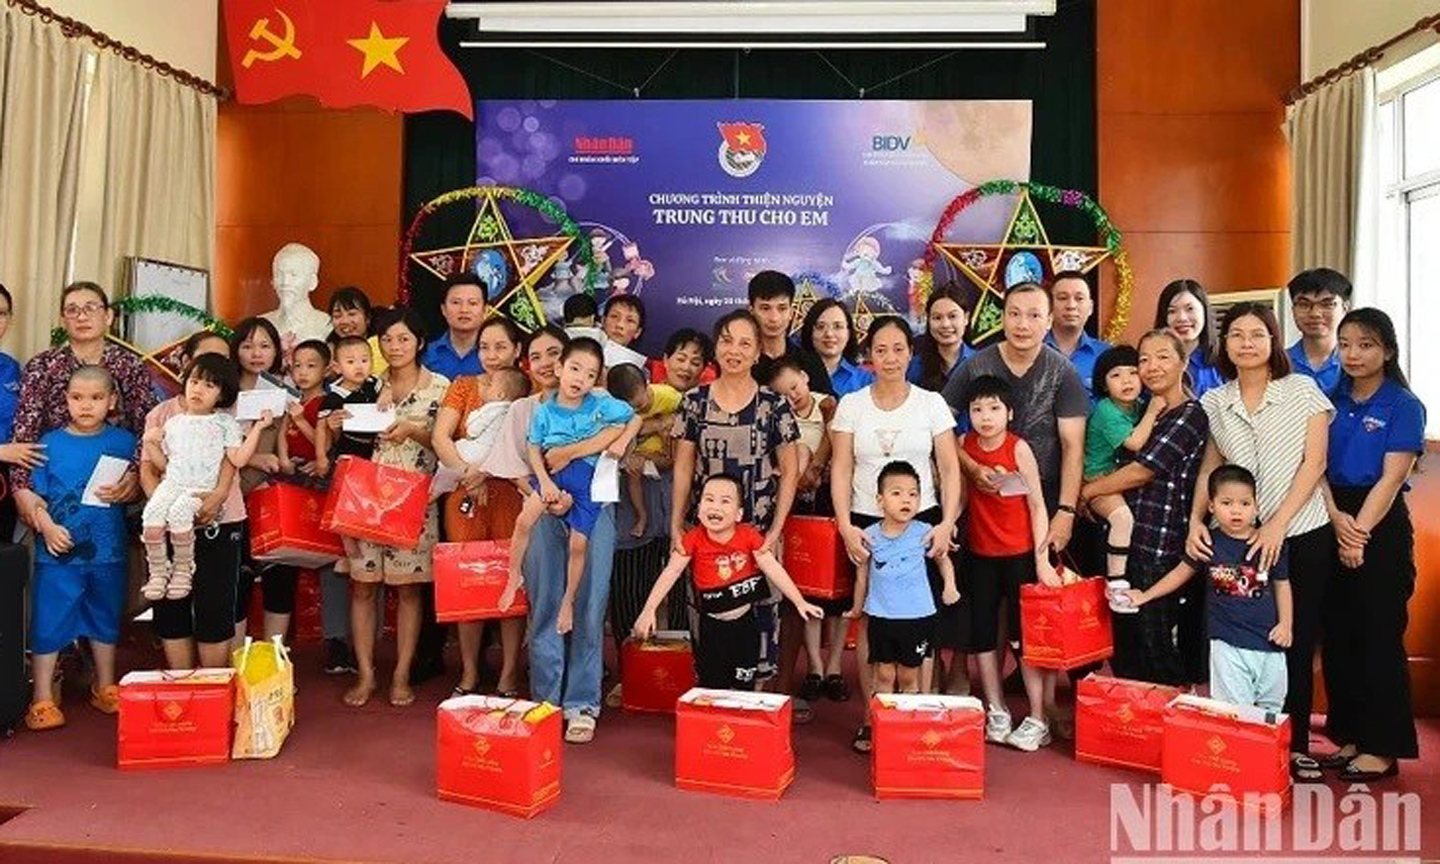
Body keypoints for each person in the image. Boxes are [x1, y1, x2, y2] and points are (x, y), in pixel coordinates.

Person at [1188, 302, 1332, 783]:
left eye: (1258, 334)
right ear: (1224, 345)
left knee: (1292, 638)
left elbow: (1315, 464)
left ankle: (1293, 747)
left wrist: (1277, 525)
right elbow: (1210, 467)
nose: (1247, 343)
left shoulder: (1303, 391)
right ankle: (1244, 744)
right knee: (1243, 637)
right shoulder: (1216, 401)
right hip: (1238, 539)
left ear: (1274, 340)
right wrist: (1195, 520)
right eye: (1236, 335)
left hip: (1301, 532)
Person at [831, 316, 961, 749]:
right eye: (880, 350)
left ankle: (920, 711)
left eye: (898, 348)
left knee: (923, 618)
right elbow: (842, 467)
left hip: (922, 522)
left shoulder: (930, 403)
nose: (889, 358)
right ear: (869, 355)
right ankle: (874, 715)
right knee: (874, 617)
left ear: (911, 353)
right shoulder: (852, 404)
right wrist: (846, 526)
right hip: (866, 522)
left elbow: (948, 467)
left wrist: (946, 524)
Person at [671, 310, 801, 712]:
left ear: (759, 351)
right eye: (727, 340)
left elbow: (791, 470)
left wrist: (776, 531)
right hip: (706, 537)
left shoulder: (773, 406)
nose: (734, 350)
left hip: (757, 537)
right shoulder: (694, 402)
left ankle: (754, 709)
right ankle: (710, 711)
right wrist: (676, 522)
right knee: (709, 619)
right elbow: (683, 465)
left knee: (761, 620)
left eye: (745, 343)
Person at [1319, 308, 1423, 782]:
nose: (1353, 354)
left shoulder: (1403, 404)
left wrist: (1356, 533)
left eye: (1366, 344)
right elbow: (1313, 466)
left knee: (1379, 637)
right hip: (1329, 512)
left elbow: (1392, 477)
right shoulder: (1329, 397)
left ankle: (1383, 746)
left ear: (1387, 350)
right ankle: (1352, 736)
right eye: (1345, 344)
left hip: (1378, 524)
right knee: (1339, 637)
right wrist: (1335, 518)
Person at [432, 327, 564, 700]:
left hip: (511, 493)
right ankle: (470, 671)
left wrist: (486, 469)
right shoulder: (463, 385)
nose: (491, 354)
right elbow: (442, 436)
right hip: (464, 494)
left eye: (500, 346)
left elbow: (525, 445)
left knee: (511, 578)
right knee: (467, 580)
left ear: (517, 349)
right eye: (484, 347)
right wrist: (466, 474)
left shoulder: (525, 388)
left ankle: (508, 673)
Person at [1080, 330, 1209, 687]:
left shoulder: (1188, 414)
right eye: (1144, 359)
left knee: (1155, 648)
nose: (1151, 367)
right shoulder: (1135, 412)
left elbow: (1142, 471)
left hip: (1159, 547)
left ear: (1184, 363)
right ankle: (1132, 732)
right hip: (1126, 544)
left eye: (1163, 357)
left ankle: (1164, 729)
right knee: (1125, 648)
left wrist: (1088, 491)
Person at [340, 307, 450, 709]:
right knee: (363, 588)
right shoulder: (364, 382)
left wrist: (414, 431)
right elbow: (344, 438)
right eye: (387, 340)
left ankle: (401, 674)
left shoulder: (440, 387)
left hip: (415, 501)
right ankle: (366, 673)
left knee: (408, 593)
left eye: (403, 339)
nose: (395, 346)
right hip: (365, 503)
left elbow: (445, 444)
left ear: (419, 342)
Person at [22, 367, 137, 730]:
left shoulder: (125, 442)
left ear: (112, 401)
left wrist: (132, 488)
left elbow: (138, 487)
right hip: (57, 551)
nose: (86, 406)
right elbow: (33, 494)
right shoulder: (49, 443)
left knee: (105, 616)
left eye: (96, 398)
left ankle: (104, 685)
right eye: (77, 398)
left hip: (109, 550)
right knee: (50, 618)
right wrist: (47, 526)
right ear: (66, 400)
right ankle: (41, 697)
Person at [632, 473, 823, 690]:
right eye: (709, 499)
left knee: (744, 686)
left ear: (739, 513)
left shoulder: (749, 536)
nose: (715, 507)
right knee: (712, 686)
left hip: (745, 625)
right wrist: (649, 610)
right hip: (711, 626)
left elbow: (772, 567)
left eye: (725, 501)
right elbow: (671, 572)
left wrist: (800, 602)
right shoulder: (693, 538)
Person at [1127, 465, 1293, 711]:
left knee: (1271, 710)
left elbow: (1282, 585)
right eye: (1227, 503)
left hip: (1269, 643)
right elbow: (1181, 572)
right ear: (1212, 506)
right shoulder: (1209, 543)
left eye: (1245, 504)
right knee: (1234, 712)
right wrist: (1145, 595)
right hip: (1227, 644)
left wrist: (1286, 624)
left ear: (1256, 506)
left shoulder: (1269, 544)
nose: (1236, 510)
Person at [505, 338, 638, 635]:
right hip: (551, 481)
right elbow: (533, 450)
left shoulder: (602, 403)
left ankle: (569, 603)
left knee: (580, 547)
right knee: (524, 521)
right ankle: (513, 574)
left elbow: (632, 418)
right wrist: (547, 483)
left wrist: (620, 441)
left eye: (590, 374)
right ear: (560, 368)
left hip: (588, 484)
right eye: (575, 369)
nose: (581, 378)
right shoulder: (540, 410)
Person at [959, 375, 1062, 751]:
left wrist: (1041, 560)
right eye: (977, 409)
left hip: (1019, 556)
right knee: (984, 636)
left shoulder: (1018, 448)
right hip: (980, 555)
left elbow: (1037, 505)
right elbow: (962, 495)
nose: (985, 417)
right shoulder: (963, 445)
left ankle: (1037, 718)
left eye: (994, 409)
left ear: (1010, 413)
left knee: (1025, 640)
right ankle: (996, 709)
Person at [942, 282, 1087, 549]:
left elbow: (1073, 446)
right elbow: (939, 428)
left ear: (1049, 321)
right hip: (983, 501)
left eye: (1034, 315)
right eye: (1014, 314)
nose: (1023, 324)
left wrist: (1066, 512)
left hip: (1043, 499)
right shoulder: (975, 366)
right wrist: (972, 469)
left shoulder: (1063, 372)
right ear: (1002, 318)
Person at [139, 332, 247, 672]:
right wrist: (164, 504)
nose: (204, 384)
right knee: (173, 603)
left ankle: (213, 689)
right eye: (201, 367)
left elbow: (232, 462)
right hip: (171, 518)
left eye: (220, 369)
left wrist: (215, 499)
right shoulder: (162, 415)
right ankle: (182, 684)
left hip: (222, 518)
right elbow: (148, 466)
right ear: (186, 365)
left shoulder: (229, 415)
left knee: (215, 604)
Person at [11, 282, 156, 525]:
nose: (81, 316)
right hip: (55, 479)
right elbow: (25, 430)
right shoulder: (42, 366)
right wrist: (21, 489)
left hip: (112, 481)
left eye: (90, 308)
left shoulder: (129, 365)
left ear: (108, 315)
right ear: (63, 318)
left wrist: (136, 474)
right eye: (72, 310)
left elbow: (148, 426)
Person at [140, 355, 272, 601]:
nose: (198, 390)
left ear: (221, 395)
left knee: (180, 515)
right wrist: (150, 443)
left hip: (200, 489)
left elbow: (239, 459)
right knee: (151, 518)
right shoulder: (173, 422)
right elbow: (165, 464)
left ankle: (182, 569)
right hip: (173, 484)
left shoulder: (226, 424)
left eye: (209, 386)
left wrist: (258, 429)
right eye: (194, 382)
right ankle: (158, 572)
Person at [845, 461, 959, 698]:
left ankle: (909, 727)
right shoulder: (870, 535)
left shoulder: (925, 531)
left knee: (909, 675)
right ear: (880, 500)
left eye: (913, 494)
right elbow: (862, 575)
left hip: (917, 616)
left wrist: (950, 586)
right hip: (881, 616)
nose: (906, 500)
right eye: (896, 493)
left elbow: (942, 559)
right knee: (884, 674)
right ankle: (882, 726)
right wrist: (857, 608)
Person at [230, 316, 295, 642]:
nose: (256, 353)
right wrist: (254, 458)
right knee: (236, 578)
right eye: (247, 345)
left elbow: (286, 437)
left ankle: (275, 659)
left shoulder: (284, 390)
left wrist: (284, 463)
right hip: (228, 496)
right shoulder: (223, 389)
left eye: (265, 346)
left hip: (270, 494)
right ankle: (237, 658)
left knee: (279, 575)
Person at [1082, 345, 1165, 580]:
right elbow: (1136, 442)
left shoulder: (1136, 405)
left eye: (1132, 372)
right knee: (1122, 518)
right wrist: (1152, 412)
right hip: (1098, 478)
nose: (1126, 381)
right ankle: (1116, 579)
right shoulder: (1107, 409)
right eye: (1116, 375)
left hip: (1117, 476)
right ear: (1103, 384)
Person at [605, 363, 681, 539]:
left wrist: (665, 425)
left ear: (647, 384)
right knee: (633, 471)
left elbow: (685, 413)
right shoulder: (616, 411)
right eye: (632, 408)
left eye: (640, 403)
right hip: (636, 453)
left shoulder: (668, 395)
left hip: (665, 449)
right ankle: (642, 515)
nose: (638, 410)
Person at [747, 270, 833, 395]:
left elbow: (827, 406)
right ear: (751, 311)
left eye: (782, 308)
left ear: (791, 313)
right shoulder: (742, 361)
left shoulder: (809, 362)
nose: (774, 318)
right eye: (765, 308)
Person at [1045, 271, 1112, 401]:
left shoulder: (1106, 355)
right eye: (1063, 298)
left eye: (1079, 298)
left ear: (1091, 307)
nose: (1071, 306)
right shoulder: (1032, 350)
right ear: (1049, 305)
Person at [1286, 268, 1350, 394]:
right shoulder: (1278, 363)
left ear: (1345, 308)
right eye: (1304, 304)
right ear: (1293, 310)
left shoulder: (1358, 362)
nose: (1315, 313)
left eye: (1327, 304)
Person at [1154, 279, 1222, 397]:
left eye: (1190, 309)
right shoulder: (1152, 364)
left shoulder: (1223, 358)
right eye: (1172, 311)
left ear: (1204, 312)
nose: (1182, 318)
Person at [799, 298, 873, 398]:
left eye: (838, 326)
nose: (829, 334)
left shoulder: (866, 380)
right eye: (821, 327)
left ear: (849, 332)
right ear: (809, 332)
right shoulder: (794, 375)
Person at [276, 340, 330, 477]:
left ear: (326, 371)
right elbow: (282, 433)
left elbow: (325, 444)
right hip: (290, 465)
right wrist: (283, 459)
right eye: (297, 366)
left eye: (311, 366)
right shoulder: (294, 399)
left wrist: (300, 420)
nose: (302, 372)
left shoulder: (326, 403)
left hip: (312, 470)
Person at [909, 282, 975, 391]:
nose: (945, 324)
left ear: (966, 318)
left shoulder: (982, 363)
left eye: (952, 316)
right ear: (928, 320)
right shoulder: (915, 367)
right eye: (937, 318)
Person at [422, 273, 488, 379]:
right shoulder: (426, 354)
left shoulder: (495, 357)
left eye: (472, 303)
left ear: (485, 310)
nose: (464, 310)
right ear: (443, 309)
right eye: (456, 302)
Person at [328, 286, 386, 376]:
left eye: (352, 314)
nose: (345, 321)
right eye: (337, 316)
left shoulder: (382, 346)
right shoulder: (330, 354)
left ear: (367, 319)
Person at [649, 327, 716, 391]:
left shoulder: (708, 399)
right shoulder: (648, 394)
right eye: (681, 359)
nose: (686, 367)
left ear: (703, 369)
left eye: (695, 363)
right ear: (666, 359)